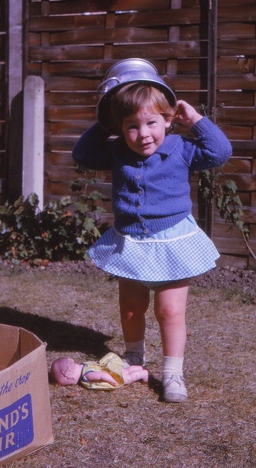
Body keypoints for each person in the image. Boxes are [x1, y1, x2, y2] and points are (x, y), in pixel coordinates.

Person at [72, 59, 232, 403]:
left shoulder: (183, 150)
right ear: (119, 128)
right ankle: (134, 355)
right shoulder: (116, 150)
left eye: (151, 123)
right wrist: (104, 122)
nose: (143, 134)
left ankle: (173, 372)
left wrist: (198, 122)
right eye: (131, 126)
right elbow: (82, 155)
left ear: (169, 120)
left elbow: (221, 151)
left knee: (170, 310)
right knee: (131, 305)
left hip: (172, 241)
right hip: (131, 242)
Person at [51, 352, 149, 390]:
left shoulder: (87, 375)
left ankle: (144, 374)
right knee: (127, 370)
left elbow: (101, 375)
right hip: (111, 368)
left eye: (68, 383)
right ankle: (140, 368)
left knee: (129, 377)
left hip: (112, 375)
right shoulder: (84, 364)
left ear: (68, 376)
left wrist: (111, 381)